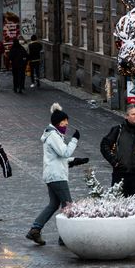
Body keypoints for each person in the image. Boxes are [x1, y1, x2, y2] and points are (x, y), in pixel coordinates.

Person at [26, 103, 88, 246]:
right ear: (57, 123)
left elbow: (58, 157)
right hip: (57, 177)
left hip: (53, 175)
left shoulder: (54, 134)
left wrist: (75, 160)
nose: (66, 125)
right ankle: (65, 236)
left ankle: (35, 229)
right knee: (68, 206)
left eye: (66, 122)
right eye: (64, 122)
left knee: (53, 204)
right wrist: (74, 140)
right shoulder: (53, 135)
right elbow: (64, 152)